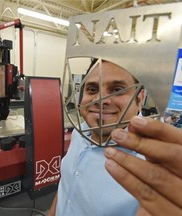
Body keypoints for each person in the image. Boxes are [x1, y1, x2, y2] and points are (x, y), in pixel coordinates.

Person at [48, 59, 146, 216]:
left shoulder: (150, 162)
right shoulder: (80, 131)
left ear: (140, 97)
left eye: (117, 89)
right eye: (92, 89)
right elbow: (66, 188)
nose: (100, 101)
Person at [104, 116, 182, 216]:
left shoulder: (163, 158)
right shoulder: (82, 135)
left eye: (117, 98)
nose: (99, 100)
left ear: (140, 100)